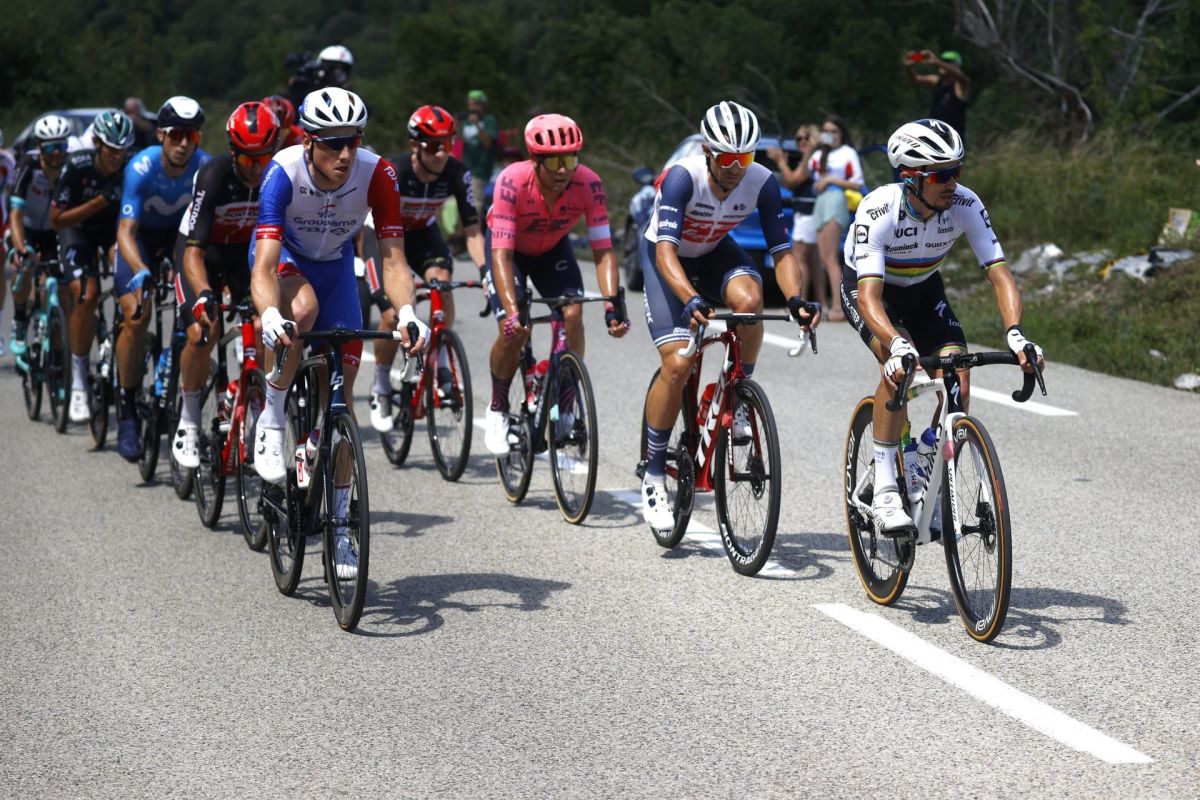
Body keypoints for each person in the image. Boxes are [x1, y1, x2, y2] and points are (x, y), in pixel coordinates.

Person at [250, 87, 428, 580]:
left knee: (341, 402)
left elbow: (393, 259)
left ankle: (343, 523)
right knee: (301, 310)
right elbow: (263, 265)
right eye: (332, 143)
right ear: (308, 142)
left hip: (336, 268)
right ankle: (272, 415)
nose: (345, 154)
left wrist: (407, 312)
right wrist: (270, 314)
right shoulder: (283, 172)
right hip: (286, 262)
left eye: (353, 141)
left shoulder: (378, 174)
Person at [841, 118, 1042, 535]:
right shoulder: (879, 210)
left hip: (924, 288)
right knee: (899, 370)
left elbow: (1000, 274)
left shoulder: (966, 204)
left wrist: (1016, 334)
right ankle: (886, 488)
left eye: (957, 170)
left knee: (958, 384)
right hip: (874, 292)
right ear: (910, 178)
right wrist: (897, 345)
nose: (952, 182)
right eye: (940, 175)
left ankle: (926, 466)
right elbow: (868, 298)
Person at [638, 100, 819, 530]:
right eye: (727, 158)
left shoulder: (762, 181)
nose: (737, 167)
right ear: (707, 151)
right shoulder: (683, 178)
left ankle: (738, 395)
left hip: (713, 253)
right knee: (677, 363)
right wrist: (689, 298)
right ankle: (653, 472)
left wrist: (795, 299)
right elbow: (665, 252)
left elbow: (782, 252)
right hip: (667, 260)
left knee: (751, 302)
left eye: (746, 157)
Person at [482, 113, 628, 456]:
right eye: (554, 162)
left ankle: (565, 406)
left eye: (571, 160)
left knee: (573, 313)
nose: (564, 170)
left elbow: (603, 251)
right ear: (534, 160)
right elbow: (501, 256)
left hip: (552, 250)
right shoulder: (512, 181)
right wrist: (512, 311)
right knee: (515, 329)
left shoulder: (589, 184)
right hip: (510, 253)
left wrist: (613, 305)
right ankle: (498, 408)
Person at [171, 102, 280, 468]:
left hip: (243, 257)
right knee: (204, 333)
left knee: (266, 328)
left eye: (263, 159)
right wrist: (204, 294)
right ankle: (188, 421)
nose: (256, 169)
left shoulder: (278, 176)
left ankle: (257, 404)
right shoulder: (213, 176)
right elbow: (192, 253)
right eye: (247, 160)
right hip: (202, 253)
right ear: (233, 153)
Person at [365, 104, 486, 432]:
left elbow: (472, 230)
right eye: (433, 146)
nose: (441, 153)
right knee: (392, 314)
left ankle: (442, 363)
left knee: (442, 284)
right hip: (381, 236)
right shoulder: (395, 171)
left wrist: (485, 272)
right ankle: (381, 384)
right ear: (414, 145)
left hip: (421, 233)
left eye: (446, 144)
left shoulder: (456, 173)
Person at [113, 96, 211, 460]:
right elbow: (125, 231)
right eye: (176, 135)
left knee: (194, 321)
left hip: (177, 241)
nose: (183, 143)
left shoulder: (204, 168)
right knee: (138, 316)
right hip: (139, 239)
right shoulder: (141, 166)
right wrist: (140, 269)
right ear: (160, 135)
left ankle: (177, 397)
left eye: (191, 135)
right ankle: (125, 409)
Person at [50, 111, 135, 426]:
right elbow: (57, 220)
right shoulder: (77, 164)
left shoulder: (131, 166)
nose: (117, 157)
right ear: (97, 143)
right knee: (86, 296)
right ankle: (78, 380)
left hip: (112, 233)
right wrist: (100, 201)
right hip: (77, 232)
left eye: (122, 150)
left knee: (131, 282)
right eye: (111, 149)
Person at [7, 114, 71, 357]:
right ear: (41, 147)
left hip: (54, 232)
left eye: (62, 146)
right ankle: (20, 319)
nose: (58, 153)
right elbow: (15, 212)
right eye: (52, 147)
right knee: (25, 265)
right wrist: (20, 247)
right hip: (27, 228)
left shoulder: (69, 168)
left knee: (59, 283)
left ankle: (55, 339)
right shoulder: (28, 164)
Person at [768, 124, 821, 307]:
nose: (802, 142)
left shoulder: (812, 158)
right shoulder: (812, 158)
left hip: (808, 214)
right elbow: (789, 180)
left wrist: (780, 161)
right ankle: (821, 302)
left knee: (800, 258)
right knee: (814, 261)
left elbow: (792, 181)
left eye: (806, 138)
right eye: (798, 138)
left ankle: (801, 301)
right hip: (808, 213)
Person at [903, 50, 970, 142]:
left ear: (958, 66)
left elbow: (962, 77)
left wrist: (937, 61)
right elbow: (914, 79)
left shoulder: (960, 85)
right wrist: (908, 67)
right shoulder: (936, 81)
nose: (943, 64)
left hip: (952, 142)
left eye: (948, 62)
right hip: (934, 138)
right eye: (943, 61)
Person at [459, 90, 499, 217]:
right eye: (470, 105)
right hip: (466, 168)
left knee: (475, 204)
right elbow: (460, 141)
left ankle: (475, 229)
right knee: (461, 203)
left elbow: (488, 143)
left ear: (483, 105)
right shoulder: (466, 122)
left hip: (480, 170)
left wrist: (477, 125)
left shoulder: (489, 121)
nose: (472, 108)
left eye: (476, 105)